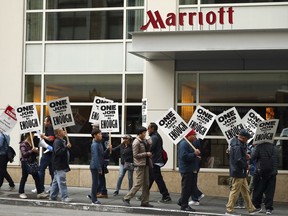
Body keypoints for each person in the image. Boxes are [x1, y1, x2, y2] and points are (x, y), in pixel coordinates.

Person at [225, 129, 261, 215]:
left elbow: (238, 157)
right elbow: (238, 160)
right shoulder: (238, 146)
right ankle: (229, 209)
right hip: (238, 171)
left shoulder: (238, 144)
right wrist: (246, 165)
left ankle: (251, 208)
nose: (248, 140)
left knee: (245, 191)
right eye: (247, 139)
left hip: (239, 171)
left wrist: (245, 156)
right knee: (235, 191)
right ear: (243, 138)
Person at [122, 126, 153, 207]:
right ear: (139, 134)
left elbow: (147, 149)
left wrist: (149, 144)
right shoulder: (136, 142)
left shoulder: (144, 141)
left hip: (145, 164)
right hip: (139, 165)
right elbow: (135, 155)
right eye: (144, 133)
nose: (145, 134)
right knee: (138, 183)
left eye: (145, 132)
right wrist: (146, 154)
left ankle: (145, 201)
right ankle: (126, 198)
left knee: (146, 184)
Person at [18, 132, 48, 199]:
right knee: (24, 177)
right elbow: (24, 154)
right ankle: (21, 192)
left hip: (32, 162)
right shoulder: (23, 144)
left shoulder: (32, 143)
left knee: (36, 177)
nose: (33, 136)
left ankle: (40, 192)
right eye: (32, 134)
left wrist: (36, 151)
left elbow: (35, 153)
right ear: (28, 135)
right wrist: (31, 150)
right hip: (25, 162)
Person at [252, 142, 278, 215]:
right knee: (270, 191)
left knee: (258, 189)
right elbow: (277, 159)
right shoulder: (274, 147)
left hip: (261, 172)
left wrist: (254, 148)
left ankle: (256, 206)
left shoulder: (258, 147)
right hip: (272, 172)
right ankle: (269, 208)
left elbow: (253, 157)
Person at [147, 122, 171, 202]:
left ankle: (166, 195)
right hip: (155, 161)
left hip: (155, 161)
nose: (147, 130)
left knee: (158, 179)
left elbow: (150, 148)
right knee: (151, 178)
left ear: (152, 128)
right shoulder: (156, 136)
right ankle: (145, 194)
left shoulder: (154, 137)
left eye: (148, 128)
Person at [177, 129, 200, 212]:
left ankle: (182, 201)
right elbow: (184, 157)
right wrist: (194, 154)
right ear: (189, 136)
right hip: (187, 169)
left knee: (189, 188)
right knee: (186, 188)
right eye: (193, 135)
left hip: (190, 169)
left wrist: (195, 156)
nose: (195, 137)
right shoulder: (184, 144)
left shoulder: (190, 143)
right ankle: (184, 205)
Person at [32, 116, 55, 194]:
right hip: (52, 154)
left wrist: (43, 136)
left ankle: (40, 187)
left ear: (49, 122)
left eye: (45, 121)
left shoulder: (50, 127)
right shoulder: (50, 128)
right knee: (52, 172)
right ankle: (53, 188)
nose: (44, 123)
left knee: (41, 170)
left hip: (48, 153)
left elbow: (51, 138)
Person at [49, 128, 72, 202]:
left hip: (60, 165)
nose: (64, 131)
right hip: (59, 165)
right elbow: (57, 152)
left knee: (56, 182)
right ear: (59, 133)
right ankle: (64, 197)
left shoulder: (62, 141)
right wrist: (66, 147)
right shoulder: (57, 142)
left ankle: (53, 196)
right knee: (62, 181)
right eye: (62, 130)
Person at [188, 137, 205, 206]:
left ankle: (195, 198)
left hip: (194, 164)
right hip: (195, 163)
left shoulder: (195, 141)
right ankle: (198, 194)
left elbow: (194, 151)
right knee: (192, 181)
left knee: (192, 181)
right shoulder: (196, 140)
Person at [89, 128, 104, 204]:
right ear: (95, 135)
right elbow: (95, 157)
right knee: (95, 183)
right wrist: (99, 168)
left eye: (101, 134)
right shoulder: (94, 145)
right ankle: (94, 199)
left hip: (97, 166)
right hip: (95, 167)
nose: (101, 135)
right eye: (99, 134)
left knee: (97, 183)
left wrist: (108, 149)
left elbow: (102, 154)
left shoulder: (99, 143)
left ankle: (93, 195)